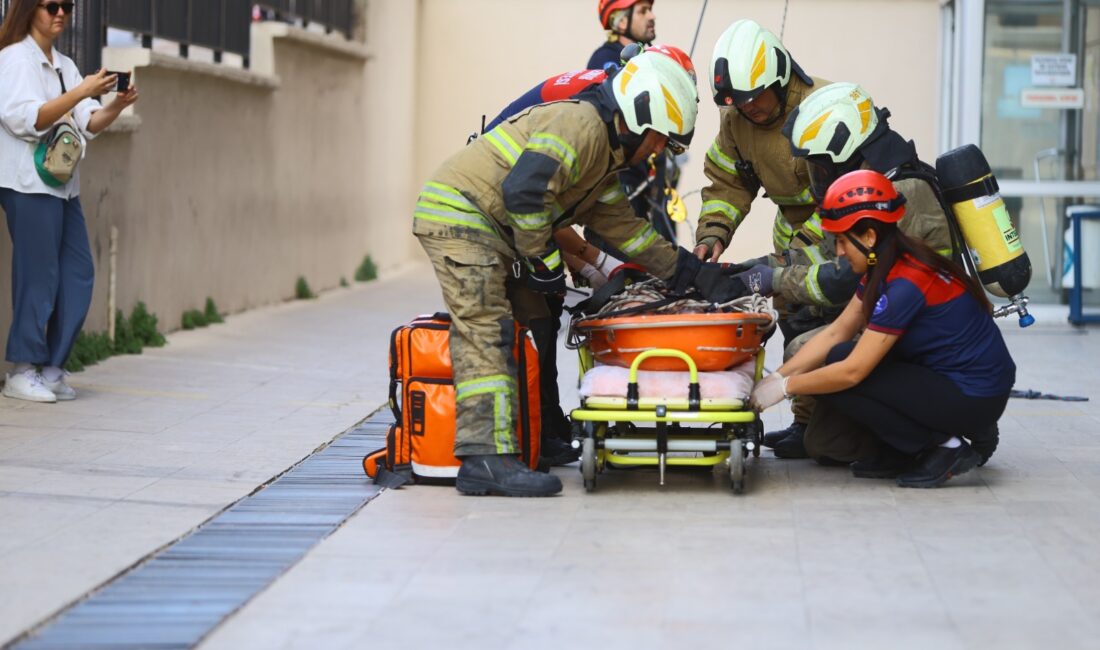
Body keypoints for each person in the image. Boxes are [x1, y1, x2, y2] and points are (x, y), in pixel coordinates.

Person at [414, 51, 741, 497]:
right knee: (485, 327)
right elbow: (525, 193)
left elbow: (628, 231)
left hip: (492, 225)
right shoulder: (581, 126)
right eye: (661, 138)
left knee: (533, 322)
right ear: (639, 115)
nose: (659, 150)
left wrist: (693, 273)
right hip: (461, 216)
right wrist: (544, 263)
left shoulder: (603, 158)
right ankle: (484, 460)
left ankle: (535, 439)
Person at [480, 42, 696, 468]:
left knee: (549, 303)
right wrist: (586, 261)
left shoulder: (607, 99)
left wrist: (592, 262)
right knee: (536, 311)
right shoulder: (591, 114)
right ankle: (534, 432)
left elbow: (570, 203)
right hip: (504, 198)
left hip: (524, 195)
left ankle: (550, 424)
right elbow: (535, 196)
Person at [750, 170, 1013, 488]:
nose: (841, 252)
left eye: (843, 241)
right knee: (836, 354)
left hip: (975, 394)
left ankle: (945, 446)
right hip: (954, 381)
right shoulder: (887, 266)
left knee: (842, 371)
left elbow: (853, 372)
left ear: (870, 237)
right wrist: (777, 377)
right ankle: (903, 448)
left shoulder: (905, 282)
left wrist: (787, 386)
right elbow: (837, 332)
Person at [751, 82, 955, 460]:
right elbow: (828, 253)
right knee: (821, 443)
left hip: (920, 330)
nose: (817, 174)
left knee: (805, 350)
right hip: (889, 312)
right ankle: (807, 424)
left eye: (819, 164)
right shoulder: (877, 186)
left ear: (844, 153)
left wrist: (777, 279)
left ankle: (927, 437)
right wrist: (763, 267)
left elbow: (845, 279)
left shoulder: (903, 191)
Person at [691, 18, 831, 450]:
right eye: (738, 101)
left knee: (827, 322)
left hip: (835, 230)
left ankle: (834, 423)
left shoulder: (822, 106)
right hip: (790, 228)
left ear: (781, 77)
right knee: (794, 324)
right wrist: (712, 233)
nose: (748, 109)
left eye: (755, 98)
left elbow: (840, 193)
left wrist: (798, 253)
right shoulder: (736, 120)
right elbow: (727, 183)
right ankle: (807, 426)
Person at [0, 0, 139, 402]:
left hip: (62, 184)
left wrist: (115, 104)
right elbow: (29, 119)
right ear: (30, 10)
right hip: (27, 183)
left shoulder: (64, 63)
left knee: (77, 273)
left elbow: (89, 122)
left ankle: (52, 367)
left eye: (68, 6)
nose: (60, 13)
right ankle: (22, 370)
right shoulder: (13, 60)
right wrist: (82, 90)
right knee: (37, 275)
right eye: (51, 5)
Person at [589, 0, 656, 71]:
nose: (652, 16)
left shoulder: (649, 57)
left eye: (650, 10)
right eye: (643, 11)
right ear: (622, 22)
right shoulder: (603, 59)